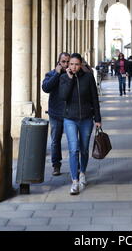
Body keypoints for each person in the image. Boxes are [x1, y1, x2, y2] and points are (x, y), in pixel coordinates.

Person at [59, 53, 101, 195]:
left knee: (83, 149)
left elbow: (94, 98)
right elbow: (63, 96)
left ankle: (82, 172)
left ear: (81, 64)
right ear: (68, 65)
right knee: (73, 149)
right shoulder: (64, 78)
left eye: (76, 64)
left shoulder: (88, 77)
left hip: (86, 119)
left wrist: (98, 119)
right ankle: (75, 181)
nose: (74, 67)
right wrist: (70, 79)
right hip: (70, 118)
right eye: (71, 64)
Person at [42, 52, 70, 176]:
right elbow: (46, 88)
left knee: (73, 141)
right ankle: (56, 165)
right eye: (63, 61)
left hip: (70, 113)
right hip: (55, 113)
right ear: (58, 62)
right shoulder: (51, 74)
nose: (65, 64)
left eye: (67, 61)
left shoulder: (72, 74)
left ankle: (77, 166)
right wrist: (57, 74)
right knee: (55, 140)